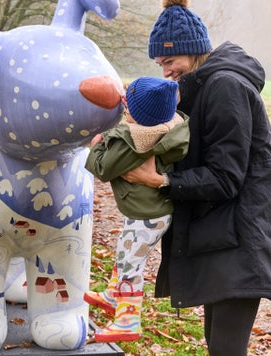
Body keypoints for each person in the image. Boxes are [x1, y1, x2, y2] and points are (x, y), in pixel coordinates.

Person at [120, 0, 271, 355]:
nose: (166, 71)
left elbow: (226, 176)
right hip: (225, 236)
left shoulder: (225, 87)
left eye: (170, 61)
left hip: (245, 237)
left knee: (226, 349)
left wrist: (161, 181)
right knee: (219, 346)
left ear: (195, 49)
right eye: (160, 64)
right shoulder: (201, 87)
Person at [84, 76, 190, 342]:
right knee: (124, 251)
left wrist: (96, 146)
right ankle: (112, 295)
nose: (124, 107)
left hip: (147, 215)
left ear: (139, 116)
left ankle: (127, 321)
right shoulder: (167, 124)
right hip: (150, 211)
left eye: (128, 107)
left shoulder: (136, 142)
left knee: (131, 264)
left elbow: (103, 169)